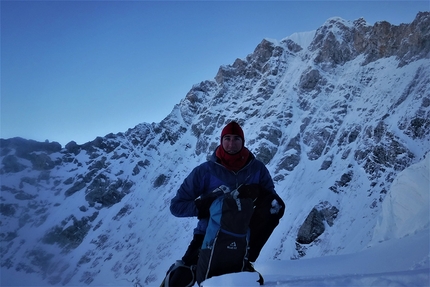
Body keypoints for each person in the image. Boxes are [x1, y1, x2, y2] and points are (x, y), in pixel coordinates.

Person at [169, 121, 285, 284]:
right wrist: (202, 207)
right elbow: (176, 206)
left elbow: (273, 203)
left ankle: (247, 260)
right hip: (208, 235)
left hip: (241, 236)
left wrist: (258, 192)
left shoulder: (257, 169)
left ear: (243, 141)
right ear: (221, 141)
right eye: (227, 138)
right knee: (181, 277)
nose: (231, 143)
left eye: (236, 139)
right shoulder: (205, 171)